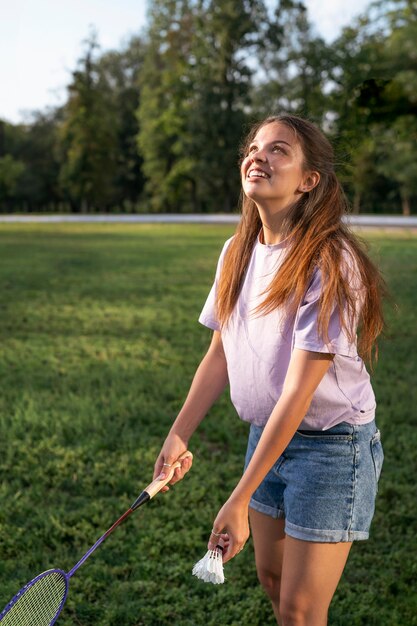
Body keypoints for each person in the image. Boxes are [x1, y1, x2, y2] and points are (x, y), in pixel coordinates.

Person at [153, 114, 385, 626]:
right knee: (274, 583)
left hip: (331, 447)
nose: (258, 155)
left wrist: (237, 498)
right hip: (267, 438)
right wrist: (178, 434)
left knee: (302, 611)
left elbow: (300, 391)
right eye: (254, 147)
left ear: (308, 181)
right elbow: (220, 353)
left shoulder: (330, 259)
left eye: (279, 150)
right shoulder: (237, 252)